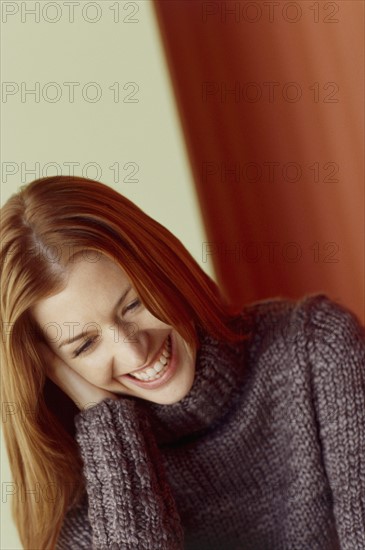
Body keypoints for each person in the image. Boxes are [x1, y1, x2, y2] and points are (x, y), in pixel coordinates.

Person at [1, 175, 364, 550]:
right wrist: (111, 430)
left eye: (133, 304)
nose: (135, 352)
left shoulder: (318, 349)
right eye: (85, 346)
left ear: (163, 269)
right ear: (53, 367)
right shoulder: (76, 496)